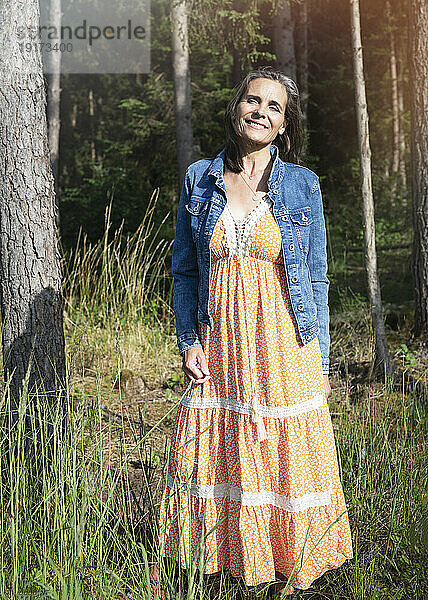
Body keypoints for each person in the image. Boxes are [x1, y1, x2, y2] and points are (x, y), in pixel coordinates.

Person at [157, 66, 353, 597]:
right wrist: (188, 341)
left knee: (282, 446)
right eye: (252, 101)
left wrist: (321, 357)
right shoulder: (199, 178)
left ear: (284, 124)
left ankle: (288, 559)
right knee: (218, 441)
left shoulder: (302, 185)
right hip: (219, 336)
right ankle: (222, 558)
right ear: (235, 107)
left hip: (283, 336)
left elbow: (315, 276)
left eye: (273, 107)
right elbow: (186, 270)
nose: (260, 112)